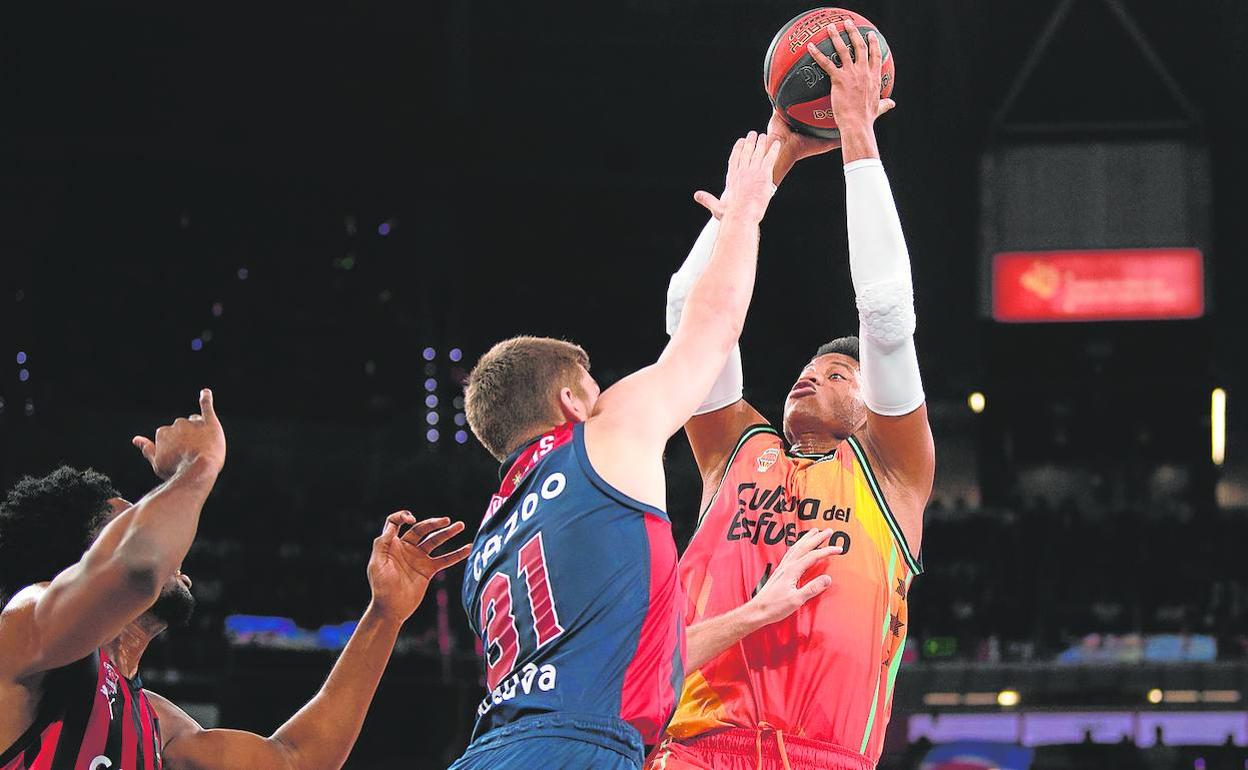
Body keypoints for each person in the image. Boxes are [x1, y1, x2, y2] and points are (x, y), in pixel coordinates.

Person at [449, 131, 840, 770]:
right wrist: (745, 211)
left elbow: (630, 659)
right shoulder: (600, 438)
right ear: (572, 401)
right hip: (578, 752)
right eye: (596, 389)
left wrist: (754, 613)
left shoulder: (492, 541)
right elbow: (707, 325)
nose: (609, 398)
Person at [648, 19, 934, 770]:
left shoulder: (894, 475)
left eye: (839, 374)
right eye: (809, 367)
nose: (811, 374)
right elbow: (690, 312)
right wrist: (772, 162)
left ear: (876, 410)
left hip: (826, 755)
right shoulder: (734, 452)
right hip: (694, 747)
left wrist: (857, 136)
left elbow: (887, 315)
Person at [0, 389, 470, 770]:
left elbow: (297, 760)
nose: (173, 547)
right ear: (76, 564)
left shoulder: (155, 723)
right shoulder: (24, 633)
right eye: (132, 524)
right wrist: (197, 466)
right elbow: (137, 567)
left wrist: (385, 615)